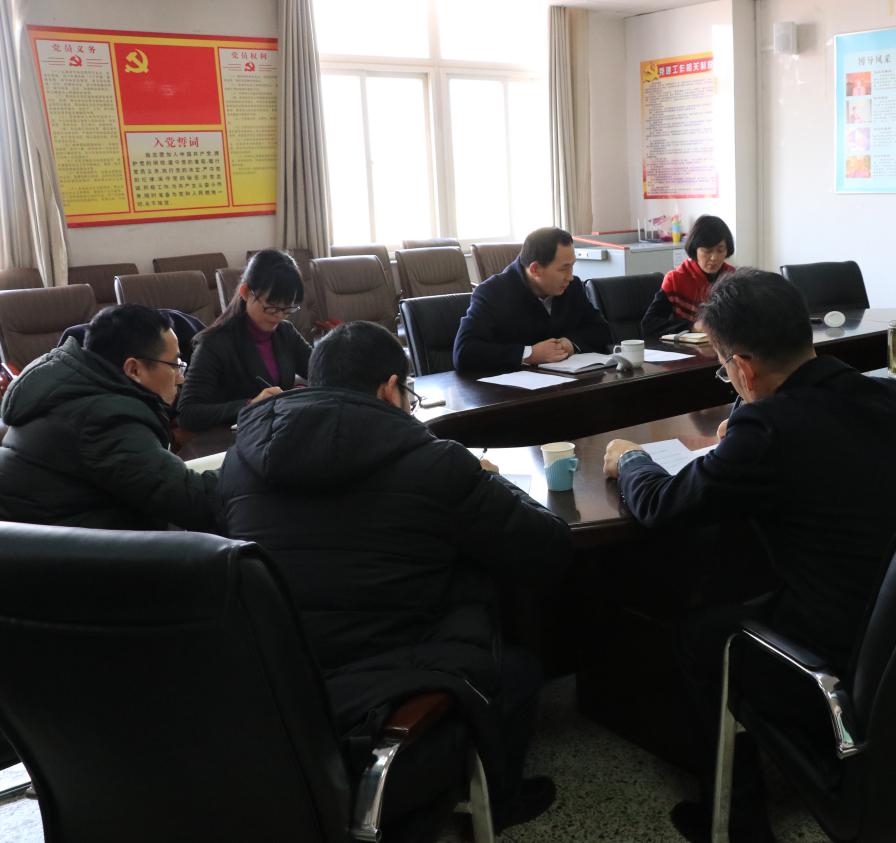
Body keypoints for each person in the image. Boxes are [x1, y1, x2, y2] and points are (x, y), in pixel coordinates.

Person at [602, 269, 896, 843]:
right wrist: (745, 434)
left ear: (742, 368)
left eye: (726, 370)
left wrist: (632, 459)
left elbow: (664, 506)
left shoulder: (768, 427)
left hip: (844, 649)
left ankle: (738, 819)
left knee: (702, 634)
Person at [217, 320, 569, 837]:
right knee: (518, 668)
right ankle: (501, 799)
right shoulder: (435, 463)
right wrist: (488, 482)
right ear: (389, 389)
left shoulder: (241, 461)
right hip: (389, 688)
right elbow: (547, 547)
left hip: (277, 681)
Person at [0, 304, 218, 531]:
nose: (181, 378)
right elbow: (194, 503)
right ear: (134, 369)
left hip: (57, 530)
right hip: (55, 545)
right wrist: (241, 465)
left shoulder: (75, 386)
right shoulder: (102, 418)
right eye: (174, 365)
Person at [177, 249, 311, 431]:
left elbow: (318, 368)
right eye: (272, 308)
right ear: (246, 292)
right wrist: (250, 404)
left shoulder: (285, 332)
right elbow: (187, 413)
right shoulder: (214, 344)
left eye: (287, 309)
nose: (279, 316)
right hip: (232, 438)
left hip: (278, 431)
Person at [452, 227, 612, 373]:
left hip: (568, 385)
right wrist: (529, 354)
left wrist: (571, 344)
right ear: (535, 269)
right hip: (511, 390)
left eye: (572, 266)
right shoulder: (492, 293)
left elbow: (602, 330)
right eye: (564, 268)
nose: (570, 276)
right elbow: (464, 352)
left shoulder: (572, 287)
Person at [641, 215, 736, 338]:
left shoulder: (733, 278)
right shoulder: (676, 280)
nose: (714, 257)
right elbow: (649, 325)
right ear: (695, 249)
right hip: (687, 347)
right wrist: (692, 327)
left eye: (720, 250)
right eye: (707, 251)